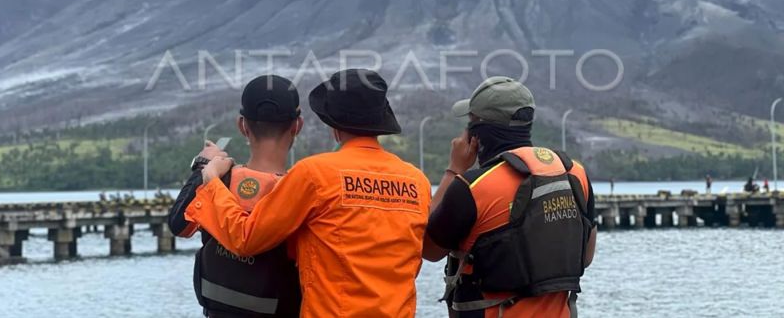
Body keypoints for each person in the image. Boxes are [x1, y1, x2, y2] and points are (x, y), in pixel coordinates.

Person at [185, 69, 432, 318]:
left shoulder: (316, 174)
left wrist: (211, 181)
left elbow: (246, 238)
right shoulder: (417, 182)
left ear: (333, 125)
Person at [423, 76, 597, 318]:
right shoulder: (575, 173)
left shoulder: (472, 187)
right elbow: (585, 257)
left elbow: (428, 249)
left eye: (470, 123)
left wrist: (454, 169)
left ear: (477, 133)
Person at [168, 75, 304, 318]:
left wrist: (203, 166)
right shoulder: (302, 191)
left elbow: (179, 224)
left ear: (242, 125)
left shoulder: (219, 180)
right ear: (297, 126)